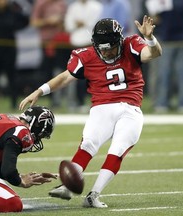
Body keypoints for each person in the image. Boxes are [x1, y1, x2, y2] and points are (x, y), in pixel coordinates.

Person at [19, 16, 162, 207]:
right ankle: (67, 187)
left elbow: (153, 54)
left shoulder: (131, 44)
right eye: (101, 48)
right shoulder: (85, 55)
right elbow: (64, 77)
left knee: (118, 149)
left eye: (110, 47)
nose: (107, 52)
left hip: (130, 109)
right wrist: (40, 90)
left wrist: (150, 39)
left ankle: (94, 194)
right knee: (88, 144)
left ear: (119, 40)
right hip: (101, 108)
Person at [144, 0, 183, 113]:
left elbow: (155, 19)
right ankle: (182, 103)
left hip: (167, 38)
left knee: (164, 73)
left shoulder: (163, 1)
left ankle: (162, 103)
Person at [64, 0, 103, 112]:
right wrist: (80, 24)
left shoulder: (96, 6)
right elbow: (68, 25)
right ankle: (78, 102)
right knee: (75, 74)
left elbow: (96, 24)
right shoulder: (73, 7)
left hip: (91, 44)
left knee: (96, 75)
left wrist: (81, 23)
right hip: (76, 45)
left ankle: (98, 100)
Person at [30, 0, 67, 108]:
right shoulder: (41, 3)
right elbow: (34, 22)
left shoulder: (61, 3)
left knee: (63, 71)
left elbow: (66, 22)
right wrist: (48, 21)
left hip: (61, 43)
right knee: (48, 72)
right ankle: (51, 99)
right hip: (47, 43)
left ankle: (62, 99)